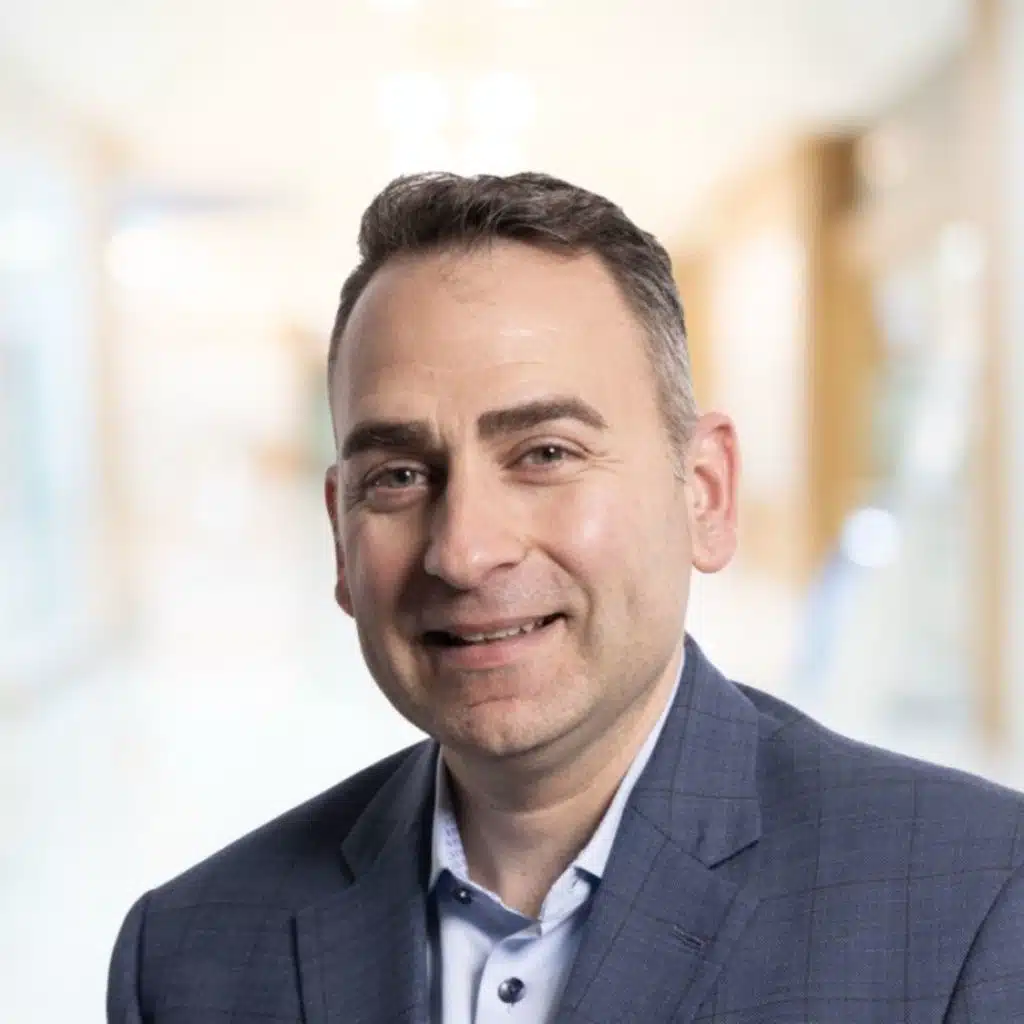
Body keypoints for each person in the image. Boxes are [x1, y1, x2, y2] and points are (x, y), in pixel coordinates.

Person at [108, 172, 1024, 1024]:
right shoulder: (189, 959)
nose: (464, 551)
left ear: (705, 494)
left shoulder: (974, 901)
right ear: (340, 538)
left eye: (546, 453)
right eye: (398, 476)